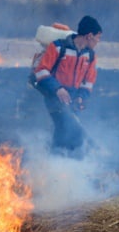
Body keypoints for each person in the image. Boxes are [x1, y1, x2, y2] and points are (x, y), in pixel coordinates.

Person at [32, 15, 102, 156]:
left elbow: (88, 82)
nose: (98, 42)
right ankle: (58, 162)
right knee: (68, 128)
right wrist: (58, 89)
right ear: (89, 36)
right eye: (97, 38)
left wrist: (81, 97)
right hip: (53, 95)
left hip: (72, 98)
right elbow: (41, 71)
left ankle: (58, 162)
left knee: (66, 132)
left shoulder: (91, 56)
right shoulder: (58, 47)